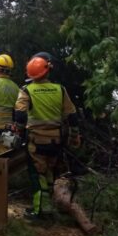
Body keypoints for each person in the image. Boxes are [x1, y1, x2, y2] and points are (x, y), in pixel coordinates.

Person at [14, 52, 80, 220]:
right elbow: (72, 115)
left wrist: (19, 132)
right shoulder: (60, 89)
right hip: (56, 140)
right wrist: (74, 136)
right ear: (48, 71)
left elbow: (20, 116)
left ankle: (40, 210)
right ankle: (49, 206)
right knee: (50, 171)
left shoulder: (27, 90)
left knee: (37, 174)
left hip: (36, 141)